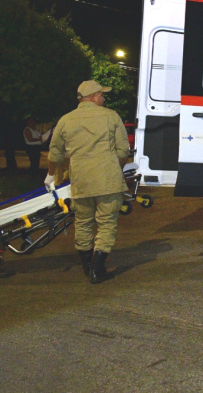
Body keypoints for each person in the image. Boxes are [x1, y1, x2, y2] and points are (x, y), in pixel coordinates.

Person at [46, 80, 131, 284]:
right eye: (102, 95)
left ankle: (87, 267)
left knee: (83, 223)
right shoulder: (111, 116)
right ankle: (97, 269)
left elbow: (55, 153)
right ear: (92, 96)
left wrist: (50, 175)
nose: (104, 98)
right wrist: (115, 169)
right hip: (108, 180)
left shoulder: (66, 120)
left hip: (80, 181)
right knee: (107, 223)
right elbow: (123, 151)